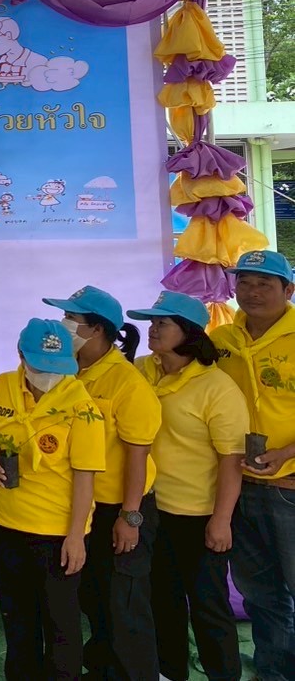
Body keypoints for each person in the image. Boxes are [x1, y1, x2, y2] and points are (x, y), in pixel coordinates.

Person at [130, 291, 248, 681]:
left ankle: (223, 674)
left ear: (189, 332)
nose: (153, 329)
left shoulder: (217, 387)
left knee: (208, 605)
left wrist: (221, 520)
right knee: (161, 600)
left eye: (162, 323)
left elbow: (231, 458)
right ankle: (169, 673)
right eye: (152, 322)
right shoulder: (142, 370)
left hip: (198, 513)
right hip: (152, 509)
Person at [45, 285, 161, 681]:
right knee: (94, 600)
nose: (64, 325)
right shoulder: (68, 371)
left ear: (96, 329)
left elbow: (137, 455)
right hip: (86, 508)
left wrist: (130, 517)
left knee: (124, 607)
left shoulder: (127, 382)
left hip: (120, 509)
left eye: (71, 319)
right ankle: (101, 670)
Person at [0, 318, 104, 680]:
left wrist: (76, 537)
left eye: (56, 368)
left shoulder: (82, 407)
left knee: (60, 623)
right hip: (6, 523)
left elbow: (85, 477)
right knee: (17, 616)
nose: (48, 376)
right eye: (40, 366)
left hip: (56, 531)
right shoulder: (3, 385)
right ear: (20, 355)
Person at [211, 248, 295, 681]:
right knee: (260, 594)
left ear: (288, 289)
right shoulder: (222, 340)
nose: (252, 291)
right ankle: (272, 672)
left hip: (290, 486)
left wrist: (287, 452)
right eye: (244, 282)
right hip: (239, 486)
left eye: (264, 283)